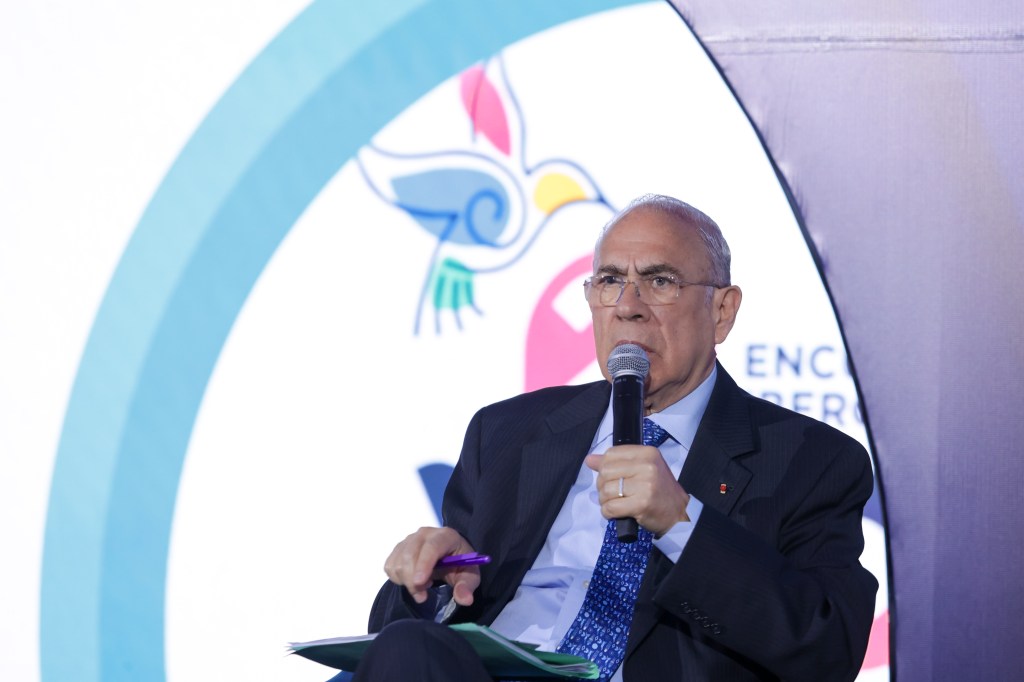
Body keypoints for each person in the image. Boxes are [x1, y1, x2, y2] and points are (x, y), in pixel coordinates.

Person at [359, 194, 878, 681]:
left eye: (660, 281)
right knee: (406, 648)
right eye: (609, 281)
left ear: (721, 311)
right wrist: (432, 585)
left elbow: (827, 648)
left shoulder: (811, 459)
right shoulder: (507, 432)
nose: (628, 305)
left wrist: (680, 522)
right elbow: (393, 642)